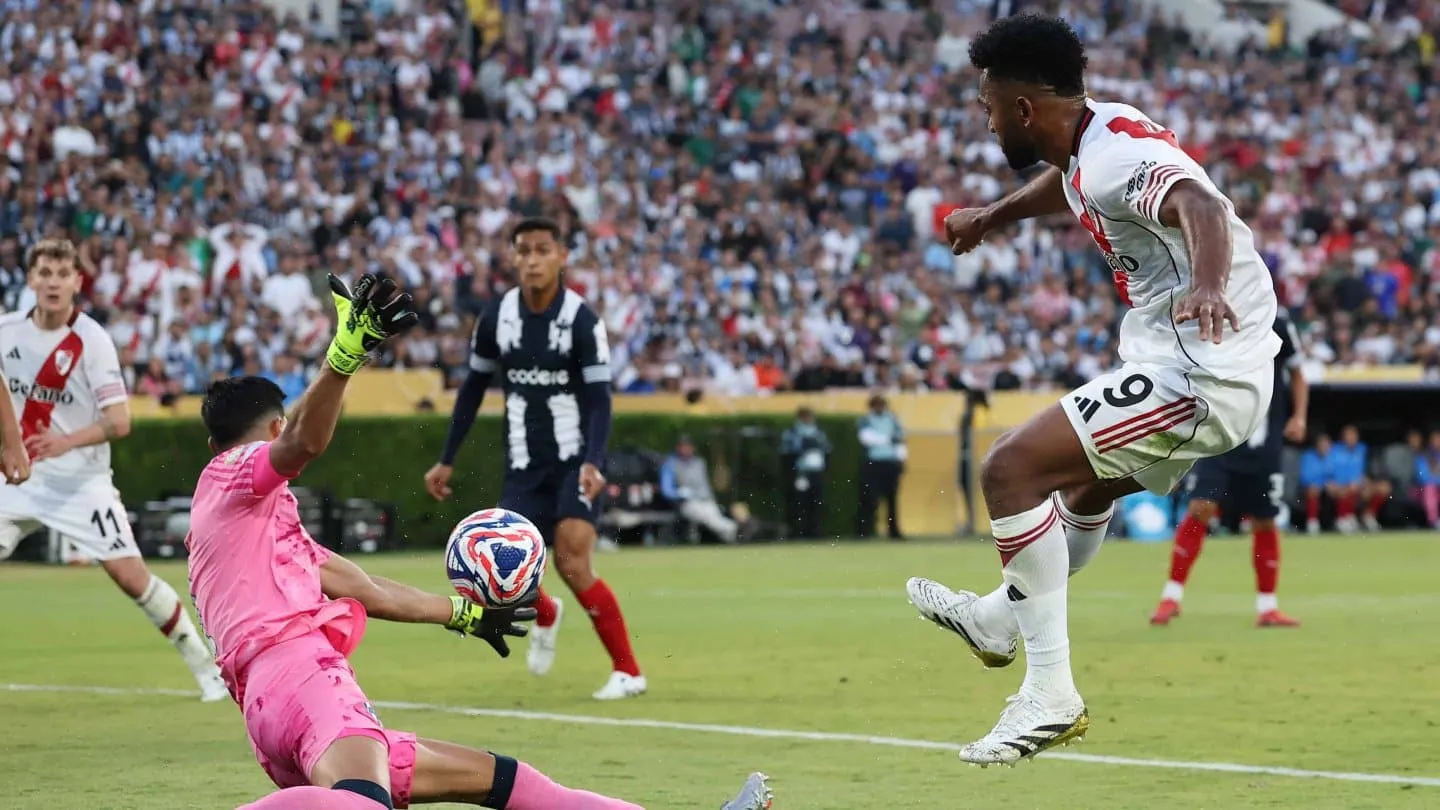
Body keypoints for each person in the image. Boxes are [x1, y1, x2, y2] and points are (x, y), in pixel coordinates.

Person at [191, 274, 774, 810]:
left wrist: (464, 613)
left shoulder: (251, 529)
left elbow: (368, 590)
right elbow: (302, 444)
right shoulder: (233, 474)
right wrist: (344, 357)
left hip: (274, 703)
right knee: (364, 803)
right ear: (269, 429)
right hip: (301, 677)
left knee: (507, 781)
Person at [905, 14, 1281, 766]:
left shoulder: (1115, 157)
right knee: (1083, 491)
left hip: (1200, 374)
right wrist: (993, 216)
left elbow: (1200, 205)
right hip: (1194, 361)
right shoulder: (1094, 134)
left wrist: (1208, 285)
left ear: (1022, 108)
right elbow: (1070, 185)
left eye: (987, 105)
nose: (984, 120)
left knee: (1010, 470)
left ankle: (1050, 693)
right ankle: (997, 621)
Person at [423, 218, 644, 701]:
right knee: (503, 566)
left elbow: (600, 399)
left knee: (571, 560)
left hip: (574, 461)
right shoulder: (497, 317)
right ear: (513, 258)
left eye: (543, 250)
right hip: (524, 464)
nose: (532, 260)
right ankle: (546, 613)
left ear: (562, 256)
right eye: (523, 250)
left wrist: (594, 461)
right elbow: (472, 389)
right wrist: (446, 458)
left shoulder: (581, 320)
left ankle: (628, 672)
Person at [0, 238, 226, 702]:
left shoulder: (92, 341)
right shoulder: (6, 331)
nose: (53, 283)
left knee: (131, 578)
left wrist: (62, 442)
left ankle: (209, 670)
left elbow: (119, 422)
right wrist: (11, 445)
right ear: (31, 279)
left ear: (77, 282)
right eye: (45, 273)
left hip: (80, 483)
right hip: (16, 481)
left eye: (62, 274)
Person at [1150, 313, 1308, 628]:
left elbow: (1297, 373)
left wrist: (1299, 417)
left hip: (1263, 442)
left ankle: (1268, 607)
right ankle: (1171, 597)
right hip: (1219, 436)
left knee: (1264, 520)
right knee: (1200, 507)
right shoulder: (1212, 314)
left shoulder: (1277, 322)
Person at [659, 434, 740, 543]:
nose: (686, 449)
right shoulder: (670, 464)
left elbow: (705, 485)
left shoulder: (699, 463)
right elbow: (667, 491)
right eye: (683, 446)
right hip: (686, 503)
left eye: (688, 446)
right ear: (678, 448)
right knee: (710, 519)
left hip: (706, 501)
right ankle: (736, 530)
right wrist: (679, 493)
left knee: (715, 518)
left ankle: (734, 538)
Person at [855, 394, 906, 540]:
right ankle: (865, 531)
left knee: (892, 499)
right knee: (869, 498)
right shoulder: (866, 420)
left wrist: (901, 459)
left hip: (890, 461)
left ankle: (893, 531)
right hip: (873, 462)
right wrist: (887, 438)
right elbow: (866, 439)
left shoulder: (892, 419)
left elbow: (900, 439)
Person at [780, 406, 831, 540]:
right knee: (798, 503)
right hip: (801, 472)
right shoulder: (792, 432)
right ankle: (797, 532)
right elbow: (787, 452)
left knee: (816, 502)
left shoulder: (818, 432)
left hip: (816, 471)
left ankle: (814, 532)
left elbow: (826, 449)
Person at [1298, 433, 1335, 534]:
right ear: (1317, 446)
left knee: (1346, 489)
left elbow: (1335, 476)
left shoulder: (1333, 457)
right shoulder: (1308, 457)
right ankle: (1312, 522)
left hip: (1328, 488)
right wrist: (1323, 484)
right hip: (1309, 488)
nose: (1324, 447)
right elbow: (1305, 478)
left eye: (1326, 445)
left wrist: (1333, 484)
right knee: (1313, 490)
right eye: (1322, 445)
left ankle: (1344, 519)